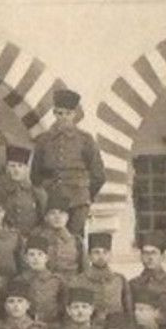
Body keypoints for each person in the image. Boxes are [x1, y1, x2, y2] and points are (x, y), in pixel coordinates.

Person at [28, 89, 103, 238]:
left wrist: (86, 197)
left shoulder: (85, 139)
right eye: (60, 113)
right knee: (49, 238)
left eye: (68, 114)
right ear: (54, 114)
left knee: (75, 240)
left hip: (78, 201)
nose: (64, 118)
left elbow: (98, 175)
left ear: (74, 114)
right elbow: (35, 174)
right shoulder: (44, 140)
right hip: (51, 199)